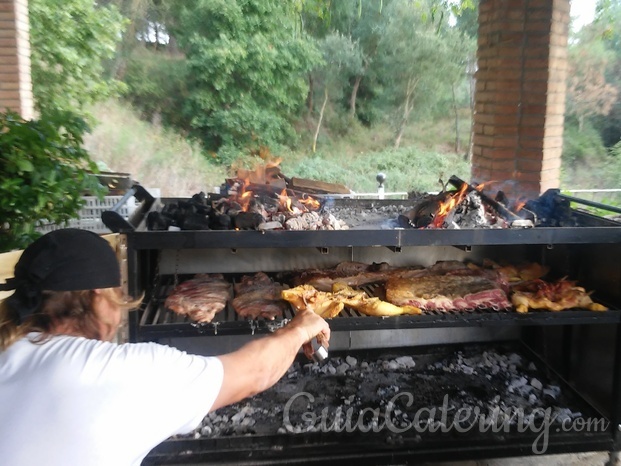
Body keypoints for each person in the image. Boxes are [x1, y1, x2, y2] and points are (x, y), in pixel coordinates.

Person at [0, 228, 330, 466]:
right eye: (120, 298)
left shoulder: (10, 352)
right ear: (98, 299)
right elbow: (254, 373)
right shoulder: (119, 373)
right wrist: (300, 328)